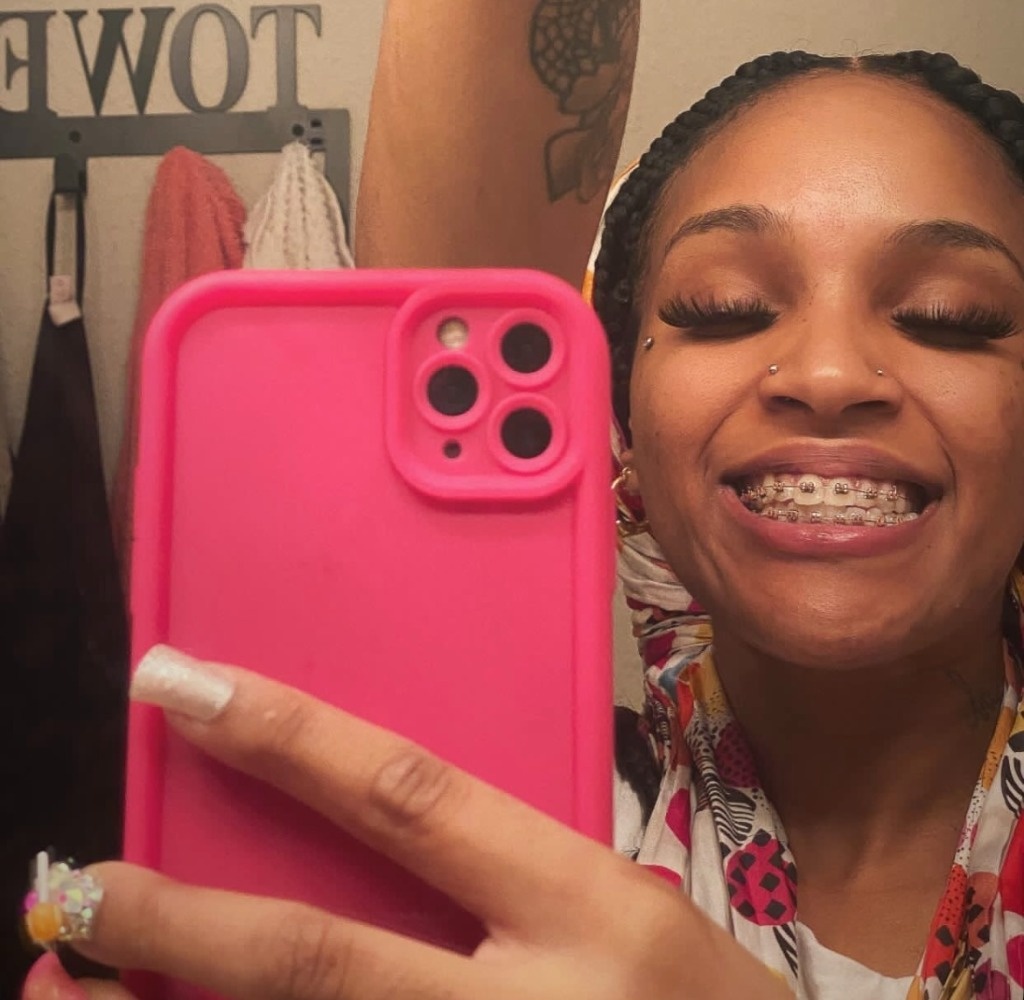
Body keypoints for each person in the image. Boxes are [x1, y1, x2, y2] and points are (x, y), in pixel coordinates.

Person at [20, 2, 1024, 998]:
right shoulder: (539, 825)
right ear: (622, 434)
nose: (828, 372)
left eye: (953, 317)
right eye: (723, 308)